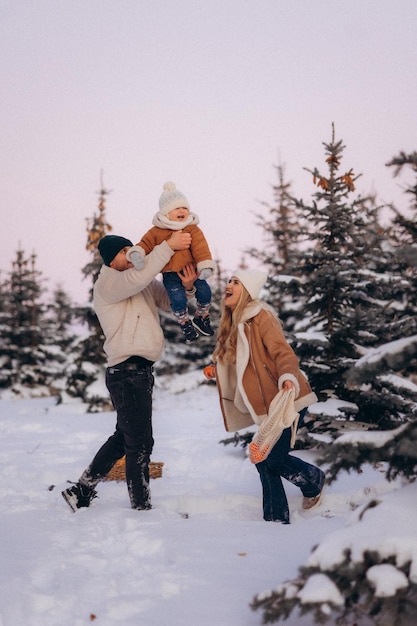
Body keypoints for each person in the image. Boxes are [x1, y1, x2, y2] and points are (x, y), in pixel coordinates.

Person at [62, 232, 197, 512]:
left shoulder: (140, 281)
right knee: (140, 443)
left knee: (125, 438)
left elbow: (171, 303)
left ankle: (81, 490)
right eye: (124, 251)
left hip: (141, 371)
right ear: (111, 259)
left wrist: (188, 288)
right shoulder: (108, 282)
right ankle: (141, 507)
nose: (131, 253)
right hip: (125, 372)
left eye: (131, 248)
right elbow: (138, 277)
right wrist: (167, 247)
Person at [204, 269, 325, 524]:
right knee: (263, 460)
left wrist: (288, 377)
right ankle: (275, 519)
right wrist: (218, 368)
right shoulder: (234, 325)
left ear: (247, 290)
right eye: (229, 280)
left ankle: (313, 480)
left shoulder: (260, 317)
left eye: (236, 282)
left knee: (274, 459)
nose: (229, 284)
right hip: (266, 406)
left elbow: (283, 352)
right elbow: (243, 363)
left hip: (286, 398)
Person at [127, 181, 216, 344]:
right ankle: (185, 323)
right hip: (170, 275)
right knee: (177, 299)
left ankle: (201, 317)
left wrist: (205, 264)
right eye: (177, 208)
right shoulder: (157, 231)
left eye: (185, 208)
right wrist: (138, 253)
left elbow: (200, 247)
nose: (182, 211)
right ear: (166, 212)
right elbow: (145, 244)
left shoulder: (192, 229)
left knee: (205, 293)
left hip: (193, 271)